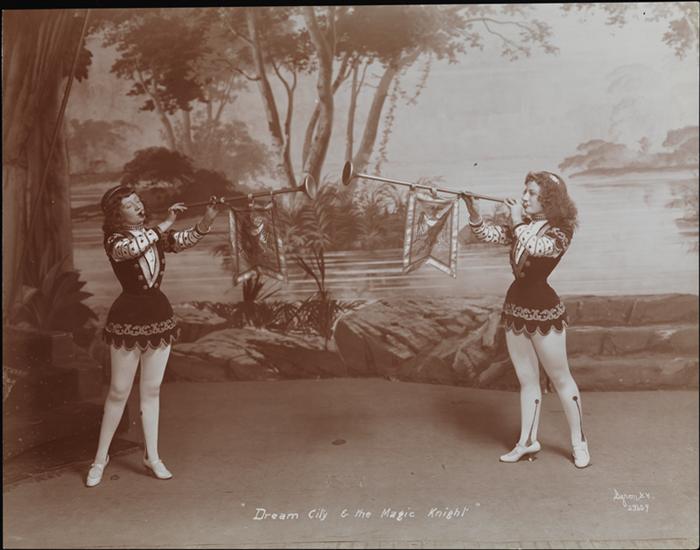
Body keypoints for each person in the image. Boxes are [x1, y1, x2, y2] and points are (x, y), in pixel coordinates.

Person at [86, 186, 221, 487]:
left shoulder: (153, 235)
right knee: (118, 391)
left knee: (152, 390)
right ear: (117, 215)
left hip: (159, 314)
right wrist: (166, 223)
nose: (139, 207)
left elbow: (182, 240)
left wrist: (207, 220)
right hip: (127, 318)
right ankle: (100, 459)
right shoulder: (114, 241)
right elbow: (133, 249)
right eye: (130, 205)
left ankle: (153, 456)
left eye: (138, 202)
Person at [461, 171, 590, 468]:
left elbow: (537, 248)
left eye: (531, 193)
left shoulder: (560, 231)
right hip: (515, 306)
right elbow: (487, 235)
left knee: (560, 378)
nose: (524, 198)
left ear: (549, 199)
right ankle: (527, 441)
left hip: (544, 309)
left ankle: (579, 442)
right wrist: (474, 212)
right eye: (525, 191)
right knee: (527, 380)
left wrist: (517, 220)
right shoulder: (524, 225)